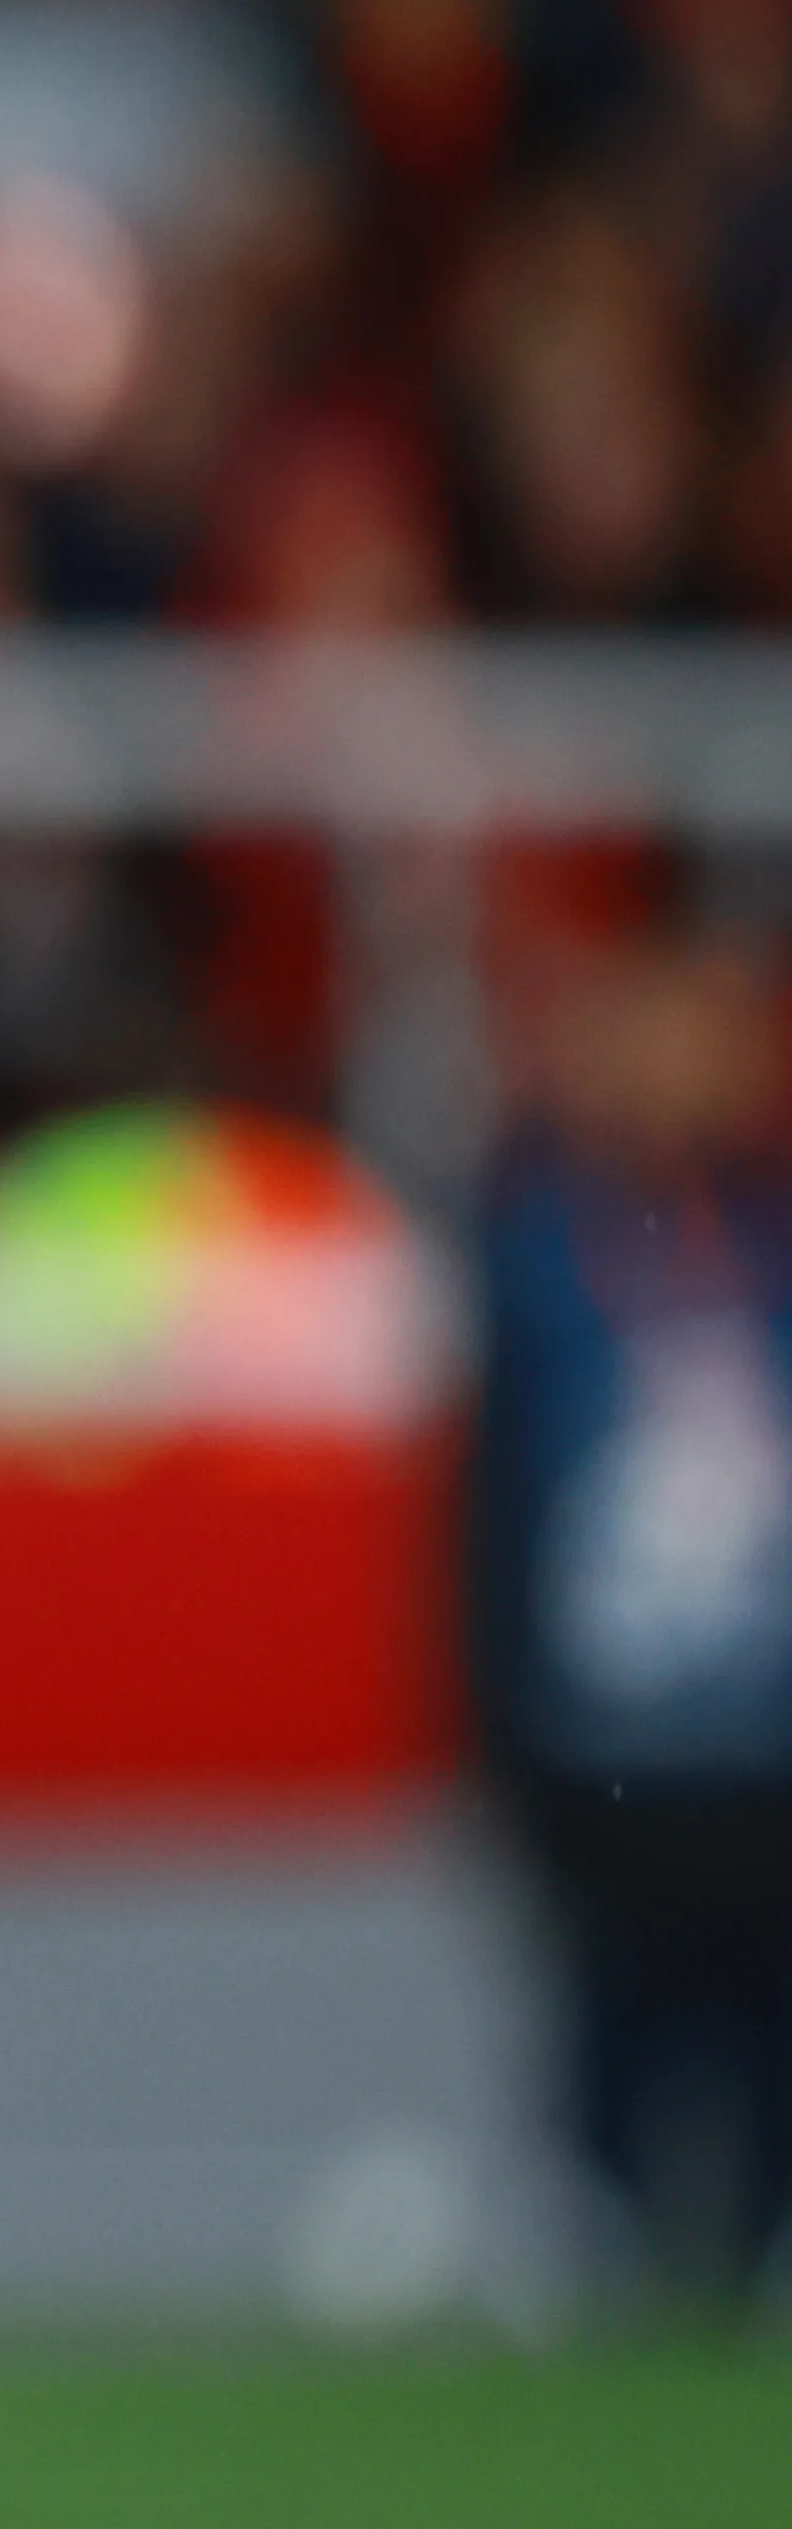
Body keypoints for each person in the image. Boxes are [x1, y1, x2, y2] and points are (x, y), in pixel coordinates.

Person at [457, 908, 792, 2314]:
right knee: (614, 2022)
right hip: (605, 1730)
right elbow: (490, 1516)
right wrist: (490, 1725)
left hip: (762, 1734)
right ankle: (598, 2237)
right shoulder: (539, 1254)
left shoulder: (771, 1250)